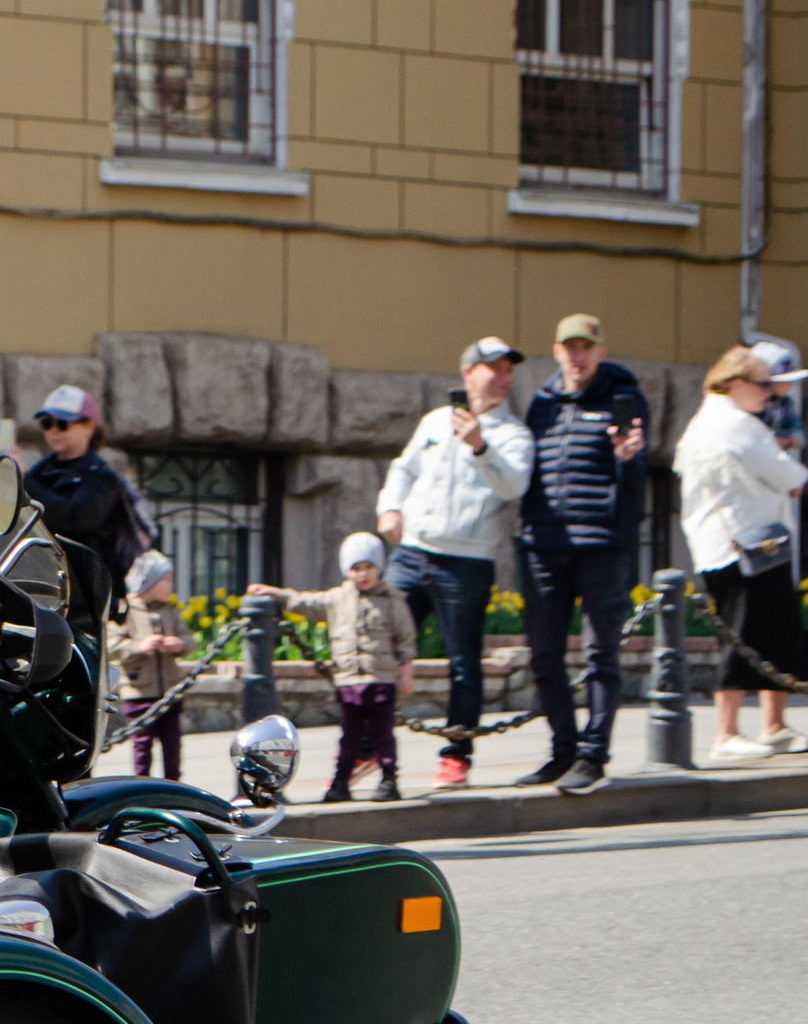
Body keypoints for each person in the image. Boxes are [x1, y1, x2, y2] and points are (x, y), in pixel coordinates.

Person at [376, 336, 535, 789]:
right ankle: (369, 747)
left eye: (508, 370)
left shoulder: (513, 435)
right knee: (379, 647)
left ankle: (456, 755)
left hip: (466, 562)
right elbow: (403, 469)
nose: (502, 378)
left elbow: (514, 487)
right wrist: (390, 508)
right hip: (412, 553)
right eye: (493, 368)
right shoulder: (433, 422)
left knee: (463, 663)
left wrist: (482, 447)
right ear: (468, 372)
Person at [514, 312, 650, 795]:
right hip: (543, 546)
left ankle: (594, 755)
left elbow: (639, 483)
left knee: (600, 654)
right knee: (544, 655)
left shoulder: (625, 397)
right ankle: (563, 751)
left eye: (586, 346)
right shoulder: (543, 404)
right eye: (569, 347)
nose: (577, 355)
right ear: (556, 352)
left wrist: (629, 461)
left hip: (601, 546)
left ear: (600, 351)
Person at [675, 347, 808, 761]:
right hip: (745, 546)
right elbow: (790, 473)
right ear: (735, 384)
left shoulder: (707, 420)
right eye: (762, 384)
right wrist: (792, 476)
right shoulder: (736, 424)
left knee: (776, 631)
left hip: (740, 545)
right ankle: (726, 733)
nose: (769, 394)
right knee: (745, 636)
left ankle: (772, 727)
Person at [248, 534, 416, 803]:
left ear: (379, 568)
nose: (362, 574)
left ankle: (389, 779)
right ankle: (341, 782)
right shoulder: (337, 599)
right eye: (356, 568)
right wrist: (277, 594)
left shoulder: (392, 600)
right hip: (349, 681)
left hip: (380, 679)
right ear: (347, 571)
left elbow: (405, 639)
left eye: (368, 567)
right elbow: (306, 603)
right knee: (348, 737)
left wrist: (405, 673)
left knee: (384, 735)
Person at [24, 384, 154, 631]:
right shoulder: (37, 474)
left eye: (62, 423)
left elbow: (76, 518)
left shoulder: (101, 478)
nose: (53, 430)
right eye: (46, 423)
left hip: (85, 603)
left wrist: (24, 484)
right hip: (40, 593)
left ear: (89, 427)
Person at [105, 550, 190, 779]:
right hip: (140, 691)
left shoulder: (170, 611)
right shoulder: (127, 611)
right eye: (166, 580)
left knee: (172, 745)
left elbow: (189, 641)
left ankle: (173, 784)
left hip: (169, 691)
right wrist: (140, 646)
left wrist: (178, 644)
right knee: (142, 745)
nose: (171, 585)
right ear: (148, 582)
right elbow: (113, 644)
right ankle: (142, 781)